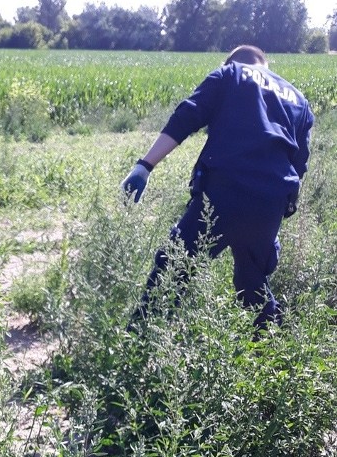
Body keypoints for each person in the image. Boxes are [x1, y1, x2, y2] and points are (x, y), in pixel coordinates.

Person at [122, 45, 314, 330]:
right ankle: (273, 355)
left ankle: (137, 343)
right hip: (270, 200)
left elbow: (187, 116)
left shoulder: (230, 73)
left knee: (175, 265)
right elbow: (298, 166)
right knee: (252, 283)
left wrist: (145, 165)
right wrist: (272, 222)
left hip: (225, 192)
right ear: (266, 65)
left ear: (231, 61)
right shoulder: (298, 99)